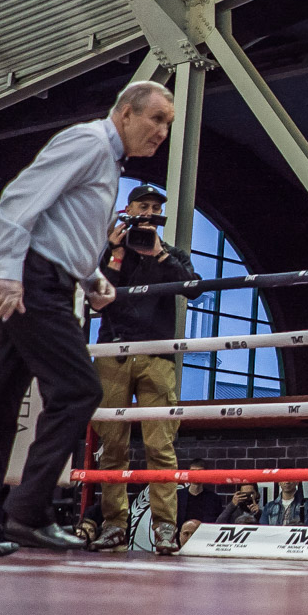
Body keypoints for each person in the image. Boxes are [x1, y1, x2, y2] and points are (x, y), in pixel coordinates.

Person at [0, 81, 174, 557]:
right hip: (33, 284)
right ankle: (29, 511)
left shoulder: (106, 161)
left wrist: (91, 278)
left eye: (168, 123)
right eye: (157, 119)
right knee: (79, 389)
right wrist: (9, 275)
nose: (163, 132)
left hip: (44, 279)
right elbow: (18, 203)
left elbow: (65, 227)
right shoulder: (87, 143)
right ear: (125, 113)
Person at [89, 182, 199, 557]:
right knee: (112, 445)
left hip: (158, 355)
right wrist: (116, 252)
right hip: (114, 352)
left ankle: (165, 528)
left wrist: (158, 254)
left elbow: (193, 288)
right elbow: (97, 298)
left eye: (155, 207)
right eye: (143, 205)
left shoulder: (172, 253)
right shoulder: (109, 249)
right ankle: (113, 526)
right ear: (129, 209)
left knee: (160, 445)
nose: (149, 212)